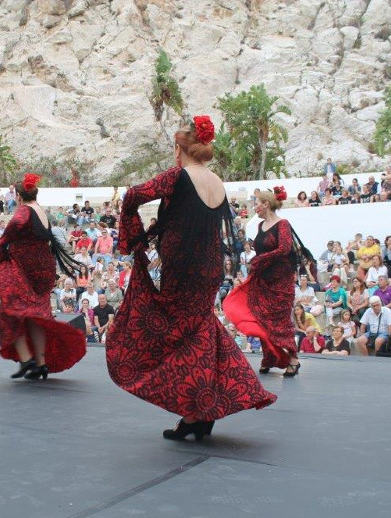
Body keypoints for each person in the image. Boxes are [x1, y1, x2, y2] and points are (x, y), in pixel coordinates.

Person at [109, 116, 276, 442]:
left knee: (182, 333)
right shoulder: (216, 181)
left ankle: (194, 412)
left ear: (179, 148)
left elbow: (132, 196)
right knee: (200, 328)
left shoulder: (177, 176)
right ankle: (201, 413)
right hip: (209, 267)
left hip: (183, 267)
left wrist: (136, 238)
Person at [0, 173, 87, 380]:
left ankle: (27, 359)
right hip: (44, 268)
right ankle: (40, 364)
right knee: (37, 316)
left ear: (18, 196)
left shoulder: (23, 211)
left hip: (26, 268)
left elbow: (10, 232)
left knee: (10, 310)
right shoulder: (40, 210)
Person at [225, 185, 313, 377]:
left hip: (281, 281)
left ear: (265, 204)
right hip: (263, 279)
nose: (254, 206)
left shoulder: (283, 224)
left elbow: (284, 249)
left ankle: (293, 359)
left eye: (256, 203)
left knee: (281, 321)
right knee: (261, 318)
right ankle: (269, 357)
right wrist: (258, 262)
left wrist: (260, 259)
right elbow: (261, 251)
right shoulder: (259, 226)